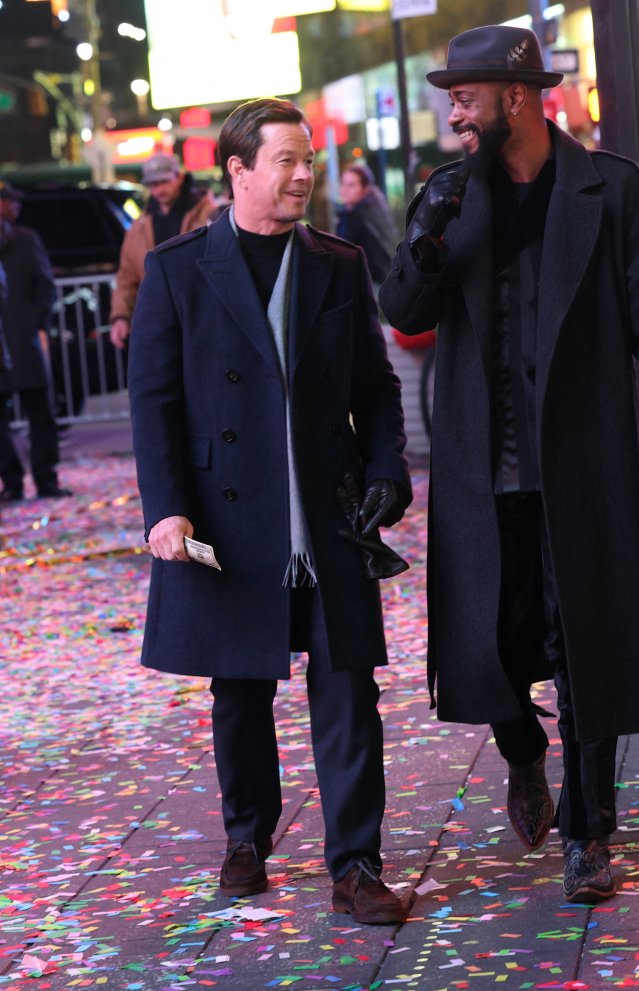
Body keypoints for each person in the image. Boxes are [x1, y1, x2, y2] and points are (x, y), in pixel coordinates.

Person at [379, 25, 639, 904]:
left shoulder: (609, 191)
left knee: (589, 648)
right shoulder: (448, 194)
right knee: (489, 642)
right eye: (450, 95)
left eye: (467, 94)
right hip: (479, 470)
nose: (453, 109)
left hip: (584, 459)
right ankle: (525, 753)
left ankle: (589, 831)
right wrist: (427, 238)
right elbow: (402, 310)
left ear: (518, 97)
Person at [128, 98, 413, 923]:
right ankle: (246, 837)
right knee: (240, 689)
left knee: (348, 685)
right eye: (285, 160)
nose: (302, 175)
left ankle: (357, 863)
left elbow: (376, 388)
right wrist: (167, 510)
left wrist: (388, 468)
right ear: (238, 172)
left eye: (308, 161)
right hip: (228, 516)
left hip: (329, 514)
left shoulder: (337, 261)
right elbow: (154, 402)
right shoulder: (180, 268)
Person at [110, 152, 217, 350]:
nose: (158, 189)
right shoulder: (140, 226)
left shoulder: (207, 213)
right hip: (160, 320)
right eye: (152, 184)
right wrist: (121, 316)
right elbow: (127, 276)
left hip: (201, 316)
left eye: (163, 182)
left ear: (179, 177)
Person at [0, 181, 66, 502]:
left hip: (18, 339)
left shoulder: (24, 239)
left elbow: (43, 286)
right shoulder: (24, 240)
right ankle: (43, 480)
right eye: (10, 201)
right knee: (40, 414)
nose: (17, 206)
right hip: (24, 340)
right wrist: (39, 325)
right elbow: (45, 285)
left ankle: (13, 482)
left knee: (29, 416)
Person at [335, 162, 400, 285]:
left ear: (365, 189)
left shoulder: (366, 216)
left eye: (351, 185)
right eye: (343, 183)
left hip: (373, 286)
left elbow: (381, 258)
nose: (345, 189)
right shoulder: (346, 213)